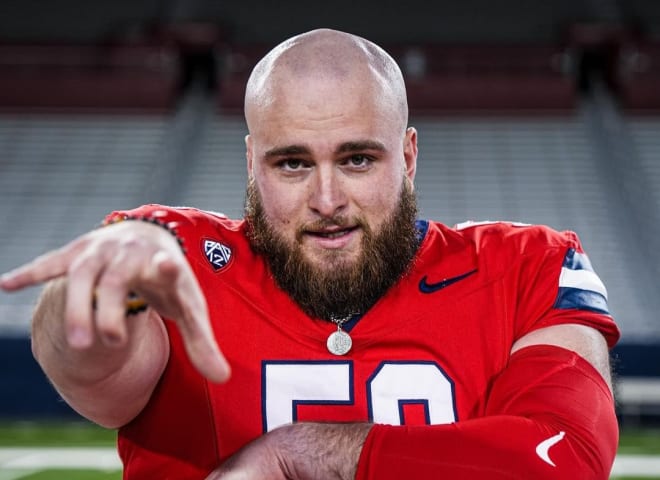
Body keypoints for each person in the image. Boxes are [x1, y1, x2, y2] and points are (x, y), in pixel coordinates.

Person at [0, 28, 619, 480]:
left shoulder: (527, 267)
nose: (326, 198)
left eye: (357, 158)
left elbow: (566, 461)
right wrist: (96, 294)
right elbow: (96, 377)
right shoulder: (174, 259)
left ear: (406, 157)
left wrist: (305, 451)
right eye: (292, 162)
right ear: (251, 165)